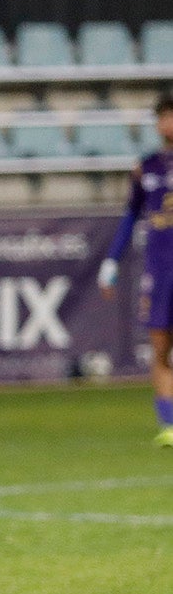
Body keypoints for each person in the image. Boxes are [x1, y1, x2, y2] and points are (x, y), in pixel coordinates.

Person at [99, 95, 173, 446]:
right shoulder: (146, 168)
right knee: (160, 347)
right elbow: (130, 217)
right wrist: (112, 262)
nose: (168, 123)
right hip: (159, 272)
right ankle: (169, 426)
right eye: (164, 117)